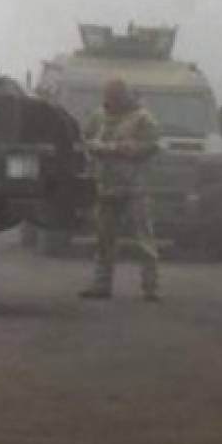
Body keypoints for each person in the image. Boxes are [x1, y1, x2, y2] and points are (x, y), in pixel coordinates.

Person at [79, 77, 161, 301]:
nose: (111, 102)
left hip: (134, 188)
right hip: (106, 187)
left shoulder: (143, 119)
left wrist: (112, 149)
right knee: (104, 239)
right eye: (109, 97)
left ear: (125, 96)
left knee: (143, 239)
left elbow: (150, 147)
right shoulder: (99, 116)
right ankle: (101, 285)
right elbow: (85, 138)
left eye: (115, 97)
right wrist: (92, 148)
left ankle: (150, 286)